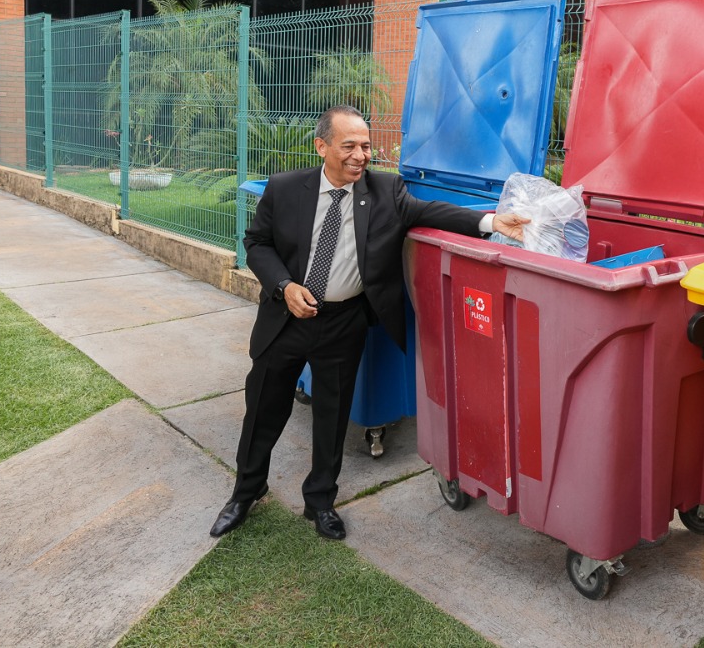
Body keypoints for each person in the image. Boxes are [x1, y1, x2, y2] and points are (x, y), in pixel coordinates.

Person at [210, 105, 527, 541]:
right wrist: (284, 285)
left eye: (365, 146)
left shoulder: (385, 190)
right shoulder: (285, 190)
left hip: (344, 324)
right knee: (263, 409)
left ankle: (320, 502)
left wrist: (491, 221)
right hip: (286, 318)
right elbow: (257, 243)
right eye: (349, 146)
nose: (361, 155)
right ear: (322, 147)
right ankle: (246, 491)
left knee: (333, 416)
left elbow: (431, 212)